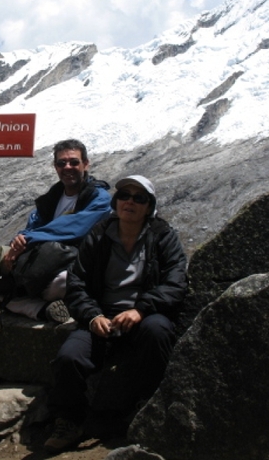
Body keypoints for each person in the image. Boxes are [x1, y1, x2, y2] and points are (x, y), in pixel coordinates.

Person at [44, 174, 188, 452]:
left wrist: (142, 310)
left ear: (149, 206)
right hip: (102, 317)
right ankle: (69, 421)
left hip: (144, 316)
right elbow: (77, 283)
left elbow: (176, 283)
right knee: (68, 357)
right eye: (124, 196)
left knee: (157, 332)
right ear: (116, 201)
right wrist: (93, 315)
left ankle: (150, 407)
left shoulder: (162, 236)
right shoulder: (98, 235)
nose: (130, 202)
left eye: (139, 198)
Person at [0, 139, 111, 323]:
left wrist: (27, 238)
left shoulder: (99, 198)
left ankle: (29, 303)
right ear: (55, 167)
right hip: (43, 264)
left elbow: (75, 228)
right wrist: (18, 243)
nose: (68, 167)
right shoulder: (50, 199)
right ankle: (43, 309)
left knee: (65, 281)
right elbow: (34, 226)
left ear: (86, 164)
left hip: (77, 265)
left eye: (74, 162)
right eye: (61, 163)